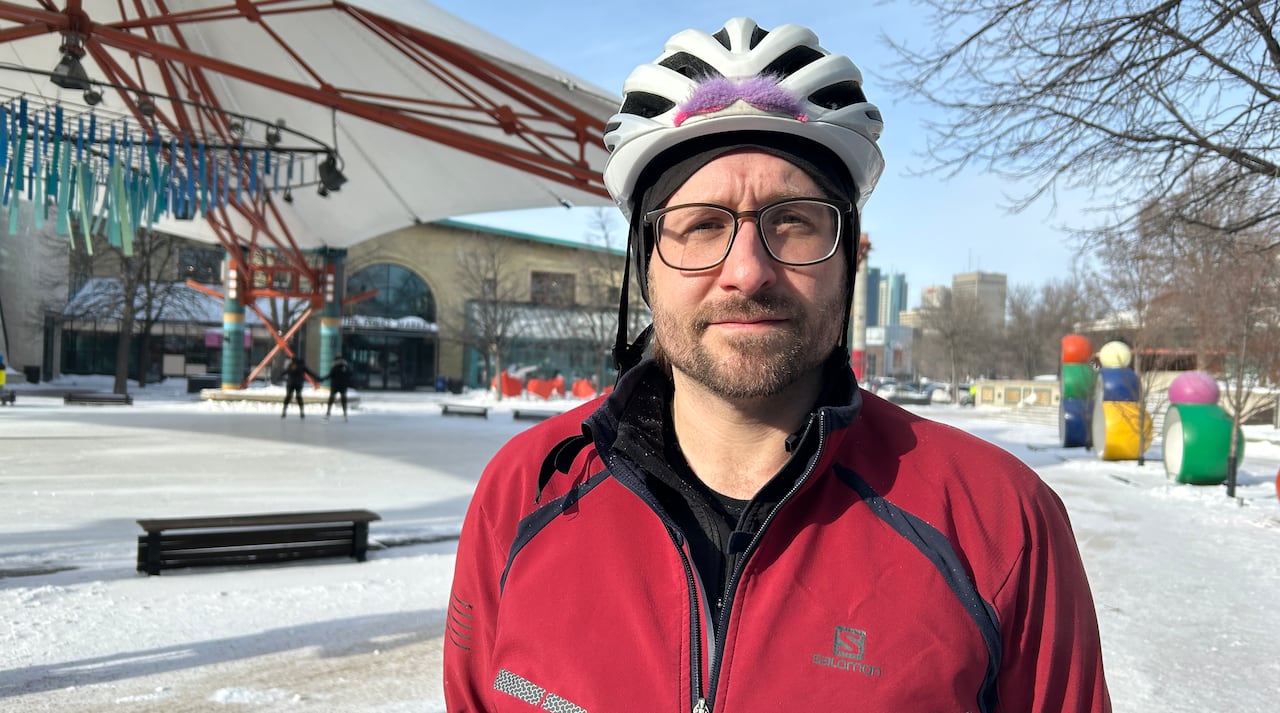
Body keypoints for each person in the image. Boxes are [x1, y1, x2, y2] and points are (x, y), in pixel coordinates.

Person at [444, 17, 1110, 713]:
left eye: (793, 220)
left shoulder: (999, 522)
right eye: (702, 224)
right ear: (646, 267)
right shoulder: (522, 492)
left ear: (848, 259)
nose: (747, 271)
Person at [323, 354, 352, 421]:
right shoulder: (345, 367)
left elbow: (330, 375)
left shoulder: (335, 367)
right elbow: (350, 374)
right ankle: (345, 414)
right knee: (343, 400)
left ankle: (328, 413)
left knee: (331, 399)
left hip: (335, 386)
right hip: (343, 386)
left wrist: (322, 379)